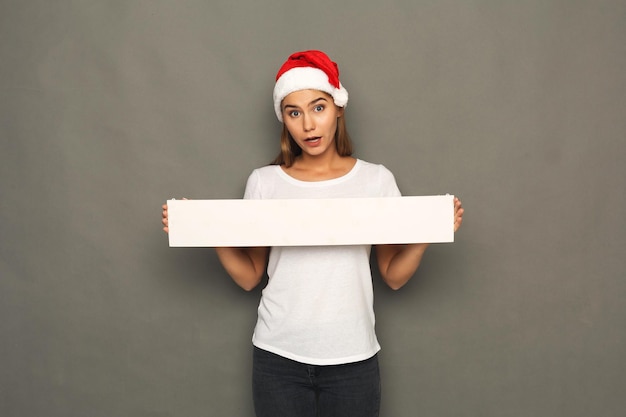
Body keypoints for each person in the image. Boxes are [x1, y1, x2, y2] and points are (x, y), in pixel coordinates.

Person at [162, 50, 464, 417]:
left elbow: (393, 277)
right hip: (278, 357)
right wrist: (207, 229)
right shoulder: (264, 182)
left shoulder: (376, 180)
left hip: (353, 358)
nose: (307, 125)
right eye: (294, 112)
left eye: (318, 108)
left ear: (338, 108)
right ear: (284, 120)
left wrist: (427, 231)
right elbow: (249, 277)